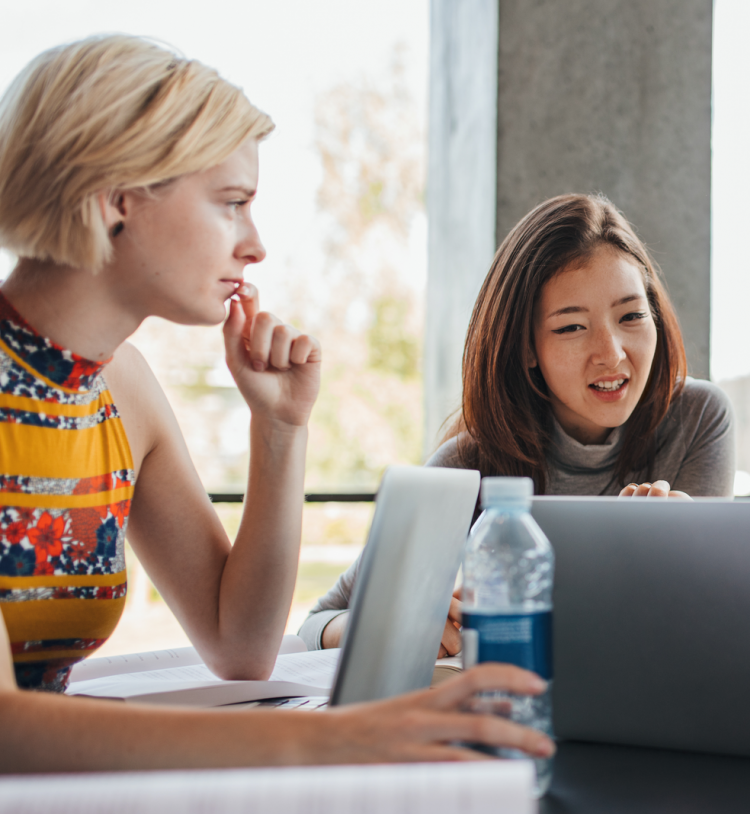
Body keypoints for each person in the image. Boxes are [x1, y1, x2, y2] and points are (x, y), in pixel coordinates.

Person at [0, 35, 548, 771]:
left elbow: (240, 646)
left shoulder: (120, 388)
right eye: (232, 204)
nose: (256, 245)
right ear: (117, 200)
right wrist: (331, 738)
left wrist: (280, 427)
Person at [299, 193, 734, 653]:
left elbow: (702, 626)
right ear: (526, 348)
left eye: (631, 316)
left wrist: (692, 549)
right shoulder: (469, 463)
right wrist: (398, 626)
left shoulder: (698, 417)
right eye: (571, 327)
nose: (611, 353)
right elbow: (317, 621)